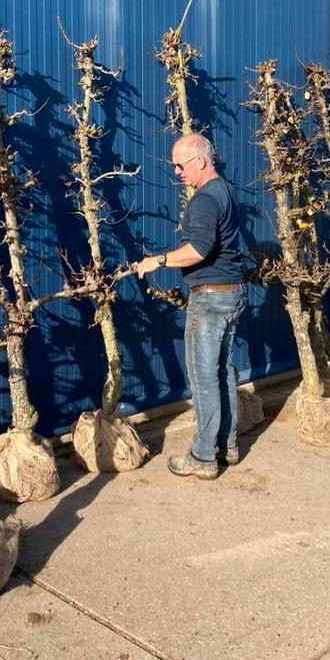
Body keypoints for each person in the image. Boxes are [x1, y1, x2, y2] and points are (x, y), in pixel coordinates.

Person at [135, 133, 246, 480]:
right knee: (223, 372)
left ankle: (203, 456)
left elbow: (198, 250)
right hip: (232, 292)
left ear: (199, 160)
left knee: (204, 377)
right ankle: (227, 445)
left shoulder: (205, 199)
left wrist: (158, 261)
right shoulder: (226, 190)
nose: (177, 172)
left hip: (210, 298)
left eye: (180, 165)